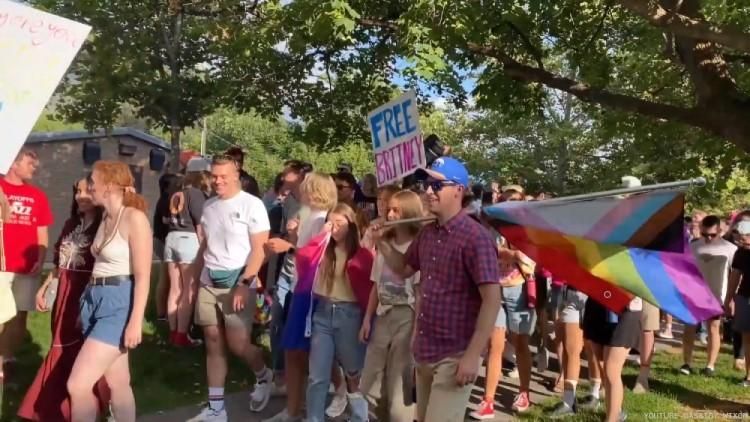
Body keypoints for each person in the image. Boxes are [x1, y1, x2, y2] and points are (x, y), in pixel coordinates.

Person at [371, 157, 501, 422]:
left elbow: (492, 300)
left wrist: (472, 355)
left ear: (458, 190)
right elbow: (404, 270)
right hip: (425, 350)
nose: (428, 191)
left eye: (436, 185)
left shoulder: (476, 238)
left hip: (455, 355)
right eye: (426, 184)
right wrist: (381, 244)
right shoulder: (427, 233)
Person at [66, 161, 152, 422]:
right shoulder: (105, 217)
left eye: (93, 182)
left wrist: (136, 322)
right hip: (95, 297)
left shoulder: (134, 218)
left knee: (78, 386)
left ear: (111, 186)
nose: (88, 186)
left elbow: (143, 275)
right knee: (118, 382)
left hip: (118, 301)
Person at [188, 156, 272, 421]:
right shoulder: (209, 206)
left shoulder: (252, 205)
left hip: (238, 282)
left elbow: (260, 250)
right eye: (214, 176)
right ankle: (216, 408)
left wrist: (244, 284)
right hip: (208, 282)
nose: (218, 181)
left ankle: (263, 376)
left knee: (238, 344)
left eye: (223, 176)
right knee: (212, 343)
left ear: (236, 175)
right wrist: (192, 277)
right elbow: (207, 246)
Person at [18, 178, 109, 421]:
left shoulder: (104, 225)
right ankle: (57, 407)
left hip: (87, 291)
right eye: (76, 191)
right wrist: (46, 286)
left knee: (83, 350)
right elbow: (60, 261)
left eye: (85, 191)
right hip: (65, 291)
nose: (79, 196)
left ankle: (91, 404)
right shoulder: (71, 223)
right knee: (61, 344)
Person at [263, 171, 336, 422]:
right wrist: (294, 236)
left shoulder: (327, 219)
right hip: (299, 288)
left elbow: (319, 256)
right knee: (293, 351)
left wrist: (290, 246)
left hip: (313, 293)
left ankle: (342, 396)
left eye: (305, 187)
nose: (300, 191)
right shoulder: (306, 215)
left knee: (310, 353)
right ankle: (293, 410)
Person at [306, 203, 374, 422]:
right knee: (317, 376)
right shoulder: (322, 249)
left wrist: (367, 319)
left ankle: (359, 417)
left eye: (339, 223)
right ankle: (314, 418)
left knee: (353, 373)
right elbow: (304, 260)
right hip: (323, 312)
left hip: (349, 314)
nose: (333, 228)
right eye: (330, 222)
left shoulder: (361, 254)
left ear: (350, 225)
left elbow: (371, 288)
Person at [359, 190, 422, 422]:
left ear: (410, 212)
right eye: (389, 209)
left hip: (407, 315)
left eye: (397, 210)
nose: (391, 214)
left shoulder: (417, 245)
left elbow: (419, 291)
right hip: (383, 313)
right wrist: (367, 318)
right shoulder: (384, 243)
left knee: (399, 383)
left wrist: (416, 331)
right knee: (371, 382)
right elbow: (376, 284)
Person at [0, 148, 53, 383]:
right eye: (30, 163)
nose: (35, 167)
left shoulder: (38, 196)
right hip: (3, 265)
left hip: (27, 267)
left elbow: (42, 234)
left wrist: (40, 261)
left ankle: (6, 359)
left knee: (19, 315)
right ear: (14, 164)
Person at [680, 215, 737, 378]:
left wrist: (731, 298)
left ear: (719, 230)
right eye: (705, 234)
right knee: (689, 328)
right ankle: (687, 363)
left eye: (712, 235)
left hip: (717, 295)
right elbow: (684, 271)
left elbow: (735, 274)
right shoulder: (693, 247)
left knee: (713, 329)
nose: (708, 238)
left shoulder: (730, 249)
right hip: (693, 294)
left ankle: (710, 365)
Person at [165, 165, 210, 347]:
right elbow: (199, 224)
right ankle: (182, 334)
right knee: (189, 290)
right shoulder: (196, 194)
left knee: (174, 288)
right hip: (188, 239)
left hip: (172, 237)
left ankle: (173, 331)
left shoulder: (177, 193)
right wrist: (205, 247)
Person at [724, 220, 750, 386]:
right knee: (747, 337)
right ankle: (749, 376)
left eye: (746, 237)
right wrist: (728, 298)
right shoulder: (740, 253)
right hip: (745, 297)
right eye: (740, 237)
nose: (743, 240)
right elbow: (735, 276)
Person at [153, 173, 180, 321]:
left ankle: (163, 312)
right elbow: (166, 220)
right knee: (165, 277)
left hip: (161, 240)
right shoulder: (166, 199)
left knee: (168, 278)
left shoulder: (164, 198)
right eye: (177, 181)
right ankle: (161, 313)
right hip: (163, 241)